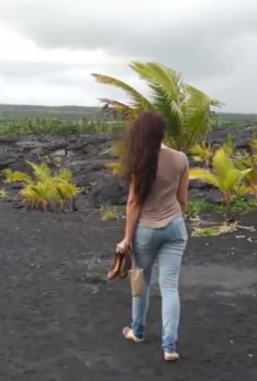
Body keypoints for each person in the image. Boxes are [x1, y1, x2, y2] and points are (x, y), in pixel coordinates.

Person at [114, 110, 190, 362]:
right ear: (162, 132)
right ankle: (170, 346)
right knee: (169, 287)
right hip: (175, 228)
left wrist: (126, 238)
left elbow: (134, 202)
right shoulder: (181, 159)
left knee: (140, 280)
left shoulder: (140, 161)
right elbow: (182, 199)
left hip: (146, 230)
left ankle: (137, 331)